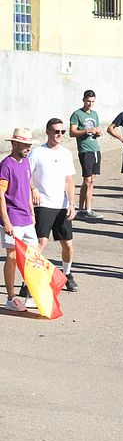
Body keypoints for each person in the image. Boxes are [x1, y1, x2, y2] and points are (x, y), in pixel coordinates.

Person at [29, 118, 78, 292]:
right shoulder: (37, 153)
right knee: (40, 243)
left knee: (68, 244)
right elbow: (26, 175)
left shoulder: (66, 153)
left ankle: (67, 274)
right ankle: (28, 281)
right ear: (48, 132)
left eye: (62, 132)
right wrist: (33, 188)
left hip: (62, 205)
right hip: (43, 204)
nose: (59, 135)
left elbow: (69, 181)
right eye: (56, 131)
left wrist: (71, 204)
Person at [1, 128, 38, 312]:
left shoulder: (25, 163)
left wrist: (32, 213)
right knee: (13, 257)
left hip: (26, 218)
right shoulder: (6, 165)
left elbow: (27, 187)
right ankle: (10, 298)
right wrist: (6, 221)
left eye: (29, 145)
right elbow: (0, 195)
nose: (28, 148)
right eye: (25, 145)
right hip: (12, 219)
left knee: (33, 257)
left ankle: (32, 293)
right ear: (14, 144)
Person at [69, 90, 104, 219]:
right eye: (88, 101)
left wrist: (98, 132)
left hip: (95, 149)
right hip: (85, 150)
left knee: (91, 181)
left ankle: (87, 209)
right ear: (83, 100)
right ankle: (83, 209)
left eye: (93, 101)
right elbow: (72, 132)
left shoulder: (94, 114)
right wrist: (87, 130)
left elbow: (98, 129)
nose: (90, 104)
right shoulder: (77, 114)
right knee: (87, 180)